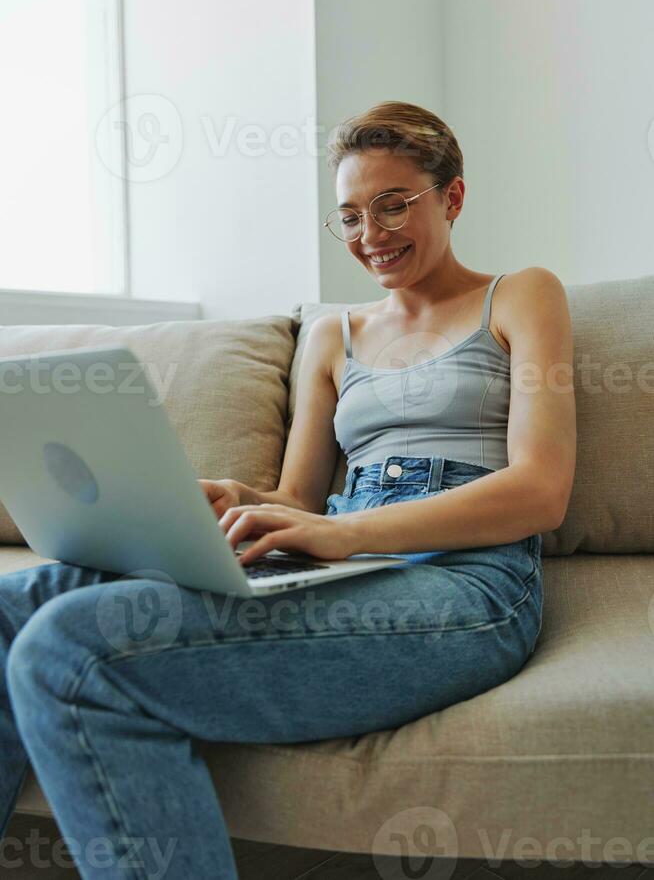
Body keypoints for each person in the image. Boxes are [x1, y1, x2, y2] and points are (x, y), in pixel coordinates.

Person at [0, 101, 576, 879]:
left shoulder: (521, 295)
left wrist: (348, 534)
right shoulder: (332, 335)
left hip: (464, 580)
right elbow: (301, 499)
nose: (371, 233)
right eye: (349, 215)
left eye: (393, 203)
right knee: (12, 611)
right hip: (341, 559)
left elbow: (541, 492)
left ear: (453, 197)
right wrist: (234, 498)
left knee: (72, 646)